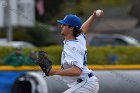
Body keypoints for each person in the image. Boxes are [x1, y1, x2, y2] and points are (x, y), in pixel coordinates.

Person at [47, 10, 104, 93]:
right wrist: (93, 15)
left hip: (86, 84)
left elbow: (77, 71)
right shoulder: (78, 37)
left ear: (71, 28)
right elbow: (84, 28)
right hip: (85, 83)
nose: (61, 26)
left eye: (64, 24)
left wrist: (54, 71)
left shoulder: (72, 47)